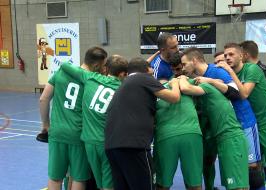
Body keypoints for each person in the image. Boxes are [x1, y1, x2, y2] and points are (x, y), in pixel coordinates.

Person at [181, 47, 263, 190]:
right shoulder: (198, 77)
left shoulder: (216, 71)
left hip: (242, 122)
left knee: (251, 169)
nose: (182, 68)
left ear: (194, 61)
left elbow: (237, 92)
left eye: (184, 64)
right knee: (216, 164)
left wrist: (212, 81)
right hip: (221, 128)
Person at [104, 57, 181, 190]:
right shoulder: (143, 78)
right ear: (146, 70)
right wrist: (175, 83)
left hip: (112, 145)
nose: (153, 75)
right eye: (152, 73)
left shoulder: (125, 84)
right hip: (133, 145)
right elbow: (174, 97)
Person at [39, 47, 108, 190]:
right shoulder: (92, 81)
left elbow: (43, 99)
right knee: (78, 178)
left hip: (57, 132)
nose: (104, 68)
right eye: (104, 65)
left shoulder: (62, 72)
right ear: (96, 65)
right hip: (79, 135)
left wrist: (46, 125)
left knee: (55, 178)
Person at [219, 43, 266, 190]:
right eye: (225, 55)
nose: (227, 57)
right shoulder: (234, 74)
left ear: (242, 56)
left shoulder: (253, 69)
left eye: (231, 54)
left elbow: (244, 94)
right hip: (252, 125)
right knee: (255, 168)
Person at [60, 55, 128, 190]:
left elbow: (64, 65)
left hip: (89, 142)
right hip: (107, 143)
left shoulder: (90, 78)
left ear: (106, 68)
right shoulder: (123, 89)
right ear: (122, 74)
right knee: (108, 184)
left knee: (99, 183)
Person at [178, 75, 249, 190]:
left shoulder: (206, 86)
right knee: (231, 183)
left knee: (238, 185)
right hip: (222, 138)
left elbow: (186, 88)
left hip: (231, 138)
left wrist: (180, 79)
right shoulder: (208, 94)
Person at [153, 54, 203, 190]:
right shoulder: (191, 83)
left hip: (166, 136)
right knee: (194, 183)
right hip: (190, 134)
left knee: (162, 184)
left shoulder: (156, 89)